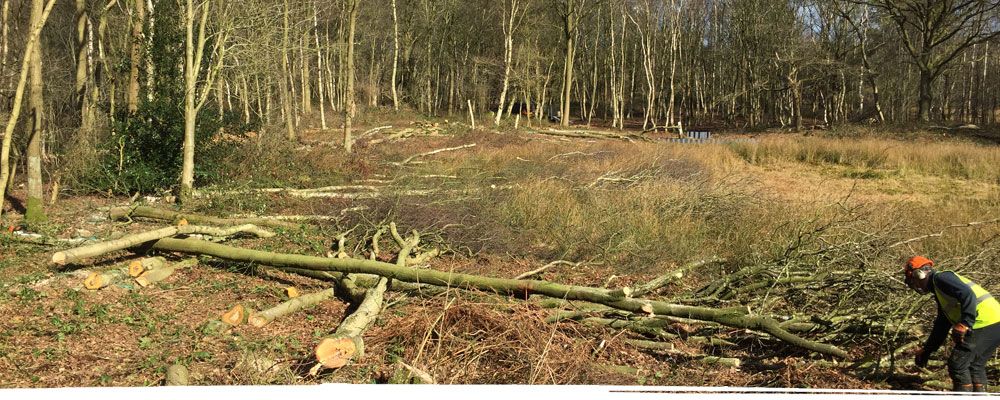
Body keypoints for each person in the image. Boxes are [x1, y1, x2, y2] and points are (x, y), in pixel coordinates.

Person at [904, 256, 1000, 392]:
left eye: (914, 281)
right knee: (975, 367)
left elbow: (968, 294)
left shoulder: (941, 278)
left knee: (958, 364)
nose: (916, 286)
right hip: (995, 322)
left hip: (984, 322)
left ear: (919, 274)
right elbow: (941, 325)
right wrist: (927, 350)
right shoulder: (940, 291)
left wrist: (965, 323)